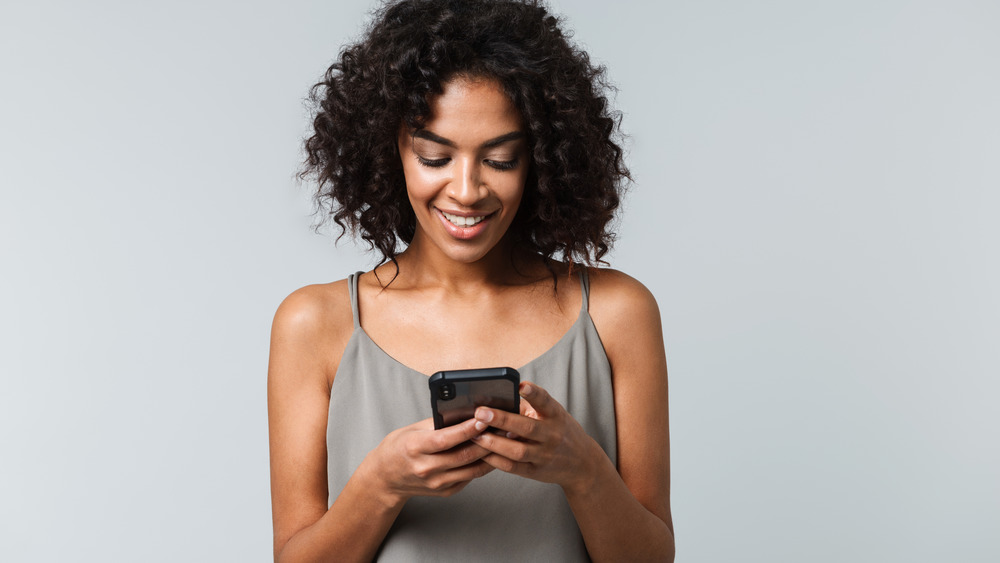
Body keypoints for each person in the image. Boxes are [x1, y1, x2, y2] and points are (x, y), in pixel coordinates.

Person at [267, 0, 674, 560]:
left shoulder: (617, 312)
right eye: (435, 157)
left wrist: (583, 471)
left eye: (501, 159)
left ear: (542, 159)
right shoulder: (315, 323)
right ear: (391, 152)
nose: (467, 190)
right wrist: (379, 483)